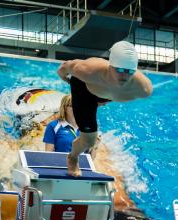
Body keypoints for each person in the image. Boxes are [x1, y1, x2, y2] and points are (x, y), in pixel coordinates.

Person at [56, 41, 153, 176]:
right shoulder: (88, 69)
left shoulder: (143, 88)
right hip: (85, 90)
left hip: (104, 94)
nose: (124, 75)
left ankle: (99, 100)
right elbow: (64, 67)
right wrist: (66, 79)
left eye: (130, 71)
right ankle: (73, 157)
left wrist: (103, 100)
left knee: (108, 95)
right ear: (110, 65)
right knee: (89, 140)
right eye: (119, 69)